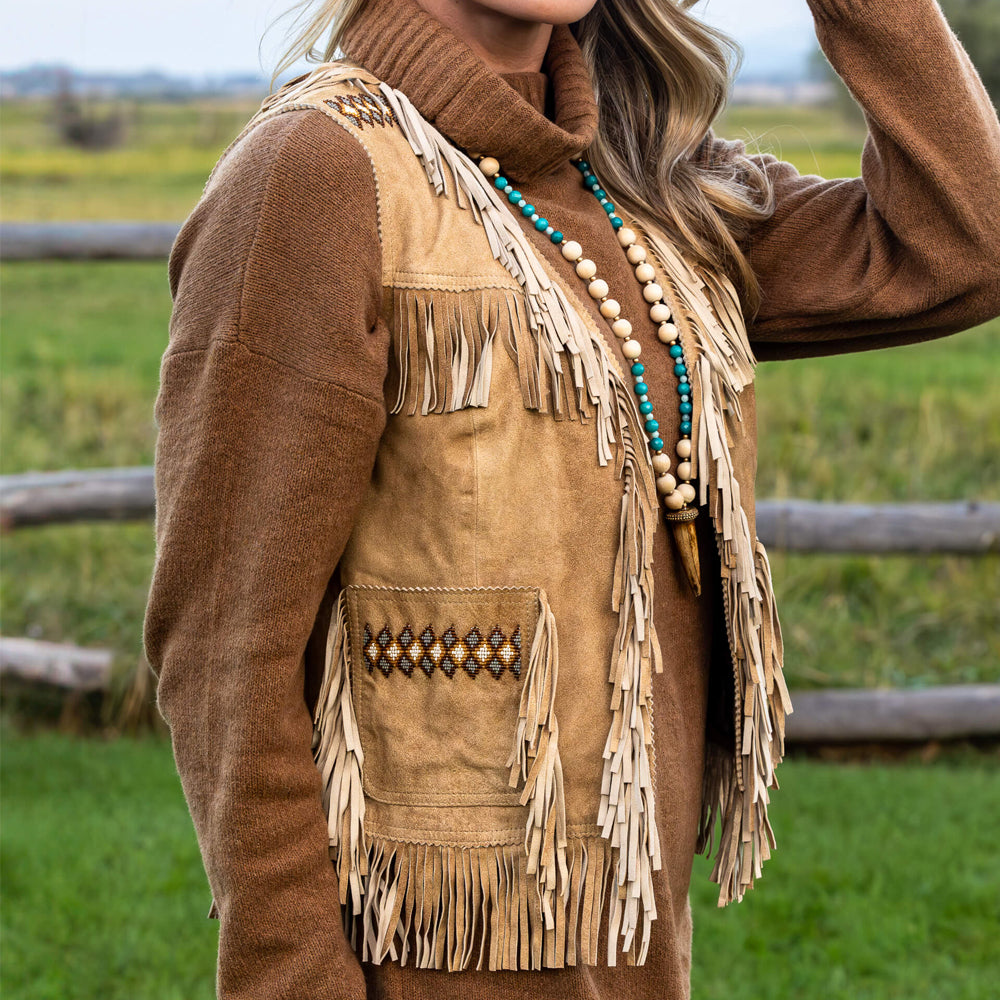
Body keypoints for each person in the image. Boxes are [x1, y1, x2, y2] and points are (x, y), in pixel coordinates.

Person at [142, 0, 1000, 997]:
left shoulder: (648, 187)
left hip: (636, 944)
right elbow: (225, 652)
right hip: (426, 959)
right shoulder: (317, 171)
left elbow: (963, 244)